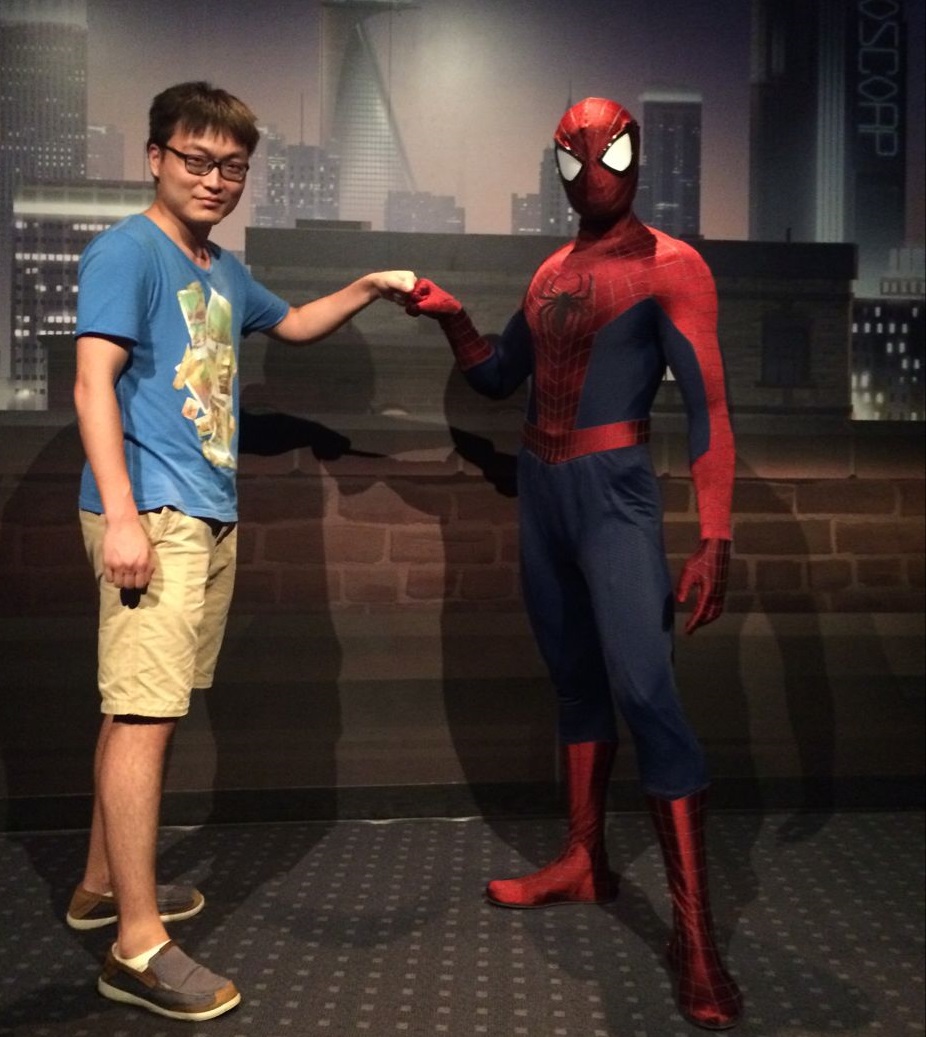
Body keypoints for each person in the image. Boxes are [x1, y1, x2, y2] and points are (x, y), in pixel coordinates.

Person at [69, 80, 414, 1022]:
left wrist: (369, 286)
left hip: (205, 512)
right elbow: (93, 385)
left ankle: (101, 885)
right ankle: (137, 946)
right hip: (155, 513)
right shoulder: (127, 251)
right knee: (143, 713)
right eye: (197, 159)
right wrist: (126, 516)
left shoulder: (220, 268)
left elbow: (292, 324)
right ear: (156, 157)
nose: (215, 178)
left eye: (232, 166)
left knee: (143, 707)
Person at [405, 97, 742, 1030]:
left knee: (647, 691)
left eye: (608, 152)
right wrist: (451, 317)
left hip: (612, 490)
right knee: (576, 681)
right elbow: (496, 376)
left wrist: (715, 534)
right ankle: (586, 859)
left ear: (634, 156)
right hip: (546, 490)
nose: (592, 170)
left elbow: (709, 407)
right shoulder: (551, 272)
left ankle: (696, 937)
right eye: (575, 155)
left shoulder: (672, 266)